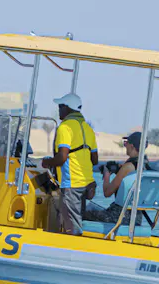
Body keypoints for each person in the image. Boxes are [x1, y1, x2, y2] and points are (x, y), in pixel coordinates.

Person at [40, 92, 98, 235]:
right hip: (86, 183)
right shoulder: (88, 128)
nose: (58, 109)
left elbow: (62, 157)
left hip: (72, 183)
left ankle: (73, 245)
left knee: (72, 226)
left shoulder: (65, 127)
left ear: (67, 107)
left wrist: (47, 162)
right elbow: (95, 160)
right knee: (74, 219)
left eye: (60, 106)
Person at [87, 131, 153, 226]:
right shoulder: (145, 166)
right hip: (136, 219)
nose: (125, 146)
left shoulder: (128, 167)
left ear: (132, 146)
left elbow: (107, 193)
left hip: (118, 217)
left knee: (85, 210)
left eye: (126, 143)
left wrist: (106, 175)